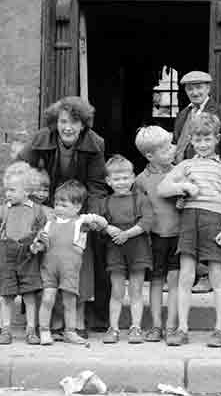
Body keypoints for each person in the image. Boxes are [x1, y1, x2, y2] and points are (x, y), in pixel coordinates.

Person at [19, 96, 108, 333]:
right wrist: (38, 206)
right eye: (63, 121)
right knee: (45, 255)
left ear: (83, 125)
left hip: (79, 205)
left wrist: (87, 218)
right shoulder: (40, 140)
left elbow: (97, 186)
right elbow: (20, 171)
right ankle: (48, 318)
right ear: (55, 122)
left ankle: (82, 316)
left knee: (81, 257)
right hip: (48, 203)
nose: (68, 127)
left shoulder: (95, 143)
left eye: (74, 122)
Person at [157, 113, 221, 347]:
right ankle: (182, 328)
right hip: (190, 219)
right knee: (186, 275)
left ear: (217, 139)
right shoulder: (186, 165)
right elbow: (163, 188)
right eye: (198, 140)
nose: (202, 145)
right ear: (191, 140)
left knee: (216, 275)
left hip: (214, 220)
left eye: (207, 140)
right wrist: (183, 187)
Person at [36, 180, 108, 346]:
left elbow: (103, 225)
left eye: (64, 205)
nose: (58, 208)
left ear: (77, 207)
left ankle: (70, 332)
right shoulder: (49, 223)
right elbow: (41, 245)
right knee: (48, 298)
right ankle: (44, 331)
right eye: (56, 204)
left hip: (70, 269)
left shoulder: (80, 223)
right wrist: (37, 244)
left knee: (70, 301)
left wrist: (93, 217)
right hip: (49, 267)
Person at [0, 163, 49, 345]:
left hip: (28, 256)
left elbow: (43, 233)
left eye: (12, 190)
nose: (8, 194)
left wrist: (39, 246)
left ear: (27, 191)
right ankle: (5, 330)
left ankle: (31, 330)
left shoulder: (37, 211)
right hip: (6, 256)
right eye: (7, 190)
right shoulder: (3, 210)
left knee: (29, 296)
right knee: (7, 296)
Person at [98, 155, 154, 344]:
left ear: (132, 178)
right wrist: (107, 227)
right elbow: (97, 224)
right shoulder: (105, 203)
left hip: (137, 248)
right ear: (108, 181)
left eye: (125, 178)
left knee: (136, 290)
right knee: (117, 290)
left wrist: (127, 234)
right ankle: (113, 328)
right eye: (116, 179)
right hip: (115, 251)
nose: (121, 182)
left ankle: (135, 327)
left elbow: (147, 222)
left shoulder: (141, 199)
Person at [134, 125, 180, 341]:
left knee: (175, 281)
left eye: (171, 145)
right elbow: (139, 211)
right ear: (150, 155)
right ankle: (156, 325)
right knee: (155, 281)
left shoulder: (180, 171)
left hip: (178, 234)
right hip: (154, 237)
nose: (173, 149)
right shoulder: (141, 181)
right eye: (165, 149)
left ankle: (171, 326)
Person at [172, 70, 221, 162]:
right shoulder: (182, 114)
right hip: (181, 169)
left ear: (208, 88)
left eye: (199, 88)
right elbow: (175, 142)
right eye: (190, 89)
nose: (195, 93)